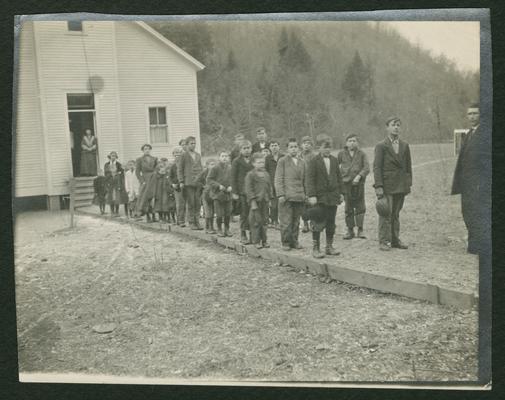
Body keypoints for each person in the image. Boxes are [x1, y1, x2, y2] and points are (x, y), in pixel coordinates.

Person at [373, 116, 412, 251]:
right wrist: (378, 186)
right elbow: (377, 167)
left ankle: (395, 240)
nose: (396, 127)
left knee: (396, 214)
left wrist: (408, 184)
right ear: (387, 127)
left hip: (400, 185)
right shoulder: (381, 146)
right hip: (387, 186)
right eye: (393, 125)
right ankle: (384, 241)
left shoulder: (405, 145)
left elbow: (408, 167)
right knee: (385, 213)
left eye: (398, 125)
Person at [451, 103, 484, 255]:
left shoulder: (486, 134)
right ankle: (474, 243)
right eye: (469, 114)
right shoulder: (470, 133)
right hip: (467, 184)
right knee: (467, 212)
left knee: (478, 212)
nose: (471, 117)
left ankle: (478, 244)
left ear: (481, 115)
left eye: (475, 114)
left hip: (479, 185)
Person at [306, 137, 344, 258]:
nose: (327, 149)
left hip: (332, 197)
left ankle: (329, 246)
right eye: (325, 147)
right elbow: (310, 180)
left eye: (329, 147)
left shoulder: (334, 160)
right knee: (318, 221)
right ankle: (315, 248)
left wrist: (341, 193)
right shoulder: (313, 161)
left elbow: (339, 178)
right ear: (318, 148)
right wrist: (312, 195)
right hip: (320, 197)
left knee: (331, 222)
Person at [337, 134, 370, 239]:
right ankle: (350, 230)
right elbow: (336, 167)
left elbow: (366, 168)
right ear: (346, 143)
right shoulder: (341, 154)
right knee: (348, 207)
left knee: (360, 207)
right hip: (346, 184)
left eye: (354, 141)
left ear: (357, 142)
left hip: (358, 184)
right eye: (350, 141)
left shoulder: (362, 154)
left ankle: (360, 229)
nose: (352, 143)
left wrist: (359, 176)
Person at [275, 138, 306, 251]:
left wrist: (305, 194)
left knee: (296, 220)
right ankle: (286, 242)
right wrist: (280, 194)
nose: (294, 149)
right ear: (287, 149)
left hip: (298, 196)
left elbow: (305, 180)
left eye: (295, 147)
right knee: (286, 221)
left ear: (298, 148)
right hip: (287, 196)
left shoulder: (302, 162)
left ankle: (295, 241)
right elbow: (278, 178)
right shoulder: (282, 161)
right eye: (291, 147)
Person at [245, 152, 273, 249]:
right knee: (255, 221)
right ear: (253, 163)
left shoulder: (266, 174)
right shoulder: (250, 175)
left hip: (265, 201)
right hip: (256, 202)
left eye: (262, 162)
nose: (261, 164)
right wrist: (252, 202)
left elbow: (269, 187)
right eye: (259, 162)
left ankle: (264, 240)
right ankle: (256, 241)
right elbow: (249, 189)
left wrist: (269, 198)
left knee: (264, 221)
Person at [177, 136, 204, 230]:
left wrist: (202, 180)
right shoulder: (184, 155)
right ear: (187, 145)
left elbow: (201, 168)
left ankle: (197, 222)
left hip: (198, 182)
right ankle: (191, 222)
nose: (193, 145)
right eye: (191, 143)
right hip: (188, 182)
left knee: (198, 202)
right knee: (191, 202)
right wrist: (181, 181)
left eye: (194, 143)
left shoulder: (198, 155)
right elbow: (180, 169)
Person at [231, 140, 254, 244]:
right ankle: (243, 233)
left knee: (253, 213)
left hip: (253, 191)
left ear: (251, 148)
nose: (246, 150)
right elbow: (233, 177)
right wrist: (235, 192)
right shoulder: (236, 161)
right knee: (244, 213)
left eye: (248, 148)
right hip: (242, 192)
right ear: (240, 150)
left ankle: (253, 234)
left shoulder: (254, 160)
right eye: (244, 148)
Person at [207, 151, 233, 237]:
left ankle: (227, 229)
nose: (224, 158)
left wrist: (231, 186)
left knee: (228, 213)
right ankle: (219, 229)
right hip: (217, 194)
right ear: (219, 158)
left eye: (226, 156)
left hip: (227, 195)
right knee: (219, 214)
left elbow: (233, 179)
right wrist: (218, 186)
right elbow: (209, 180)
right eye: (222, 156)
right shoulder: (215, 168)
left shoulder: (230, 168)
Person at [135, 144, 158, 222]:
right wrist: (142, 181)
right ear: (143, 150)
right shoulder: (139, 160)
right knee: (146, 198)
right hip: (145, 180)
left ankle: (154, 215)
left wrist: (155, 175)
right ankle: (148, 215)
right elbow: (137, 172)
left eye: (148, 149)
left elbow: (157, 169)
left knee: (153, 197)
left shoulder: (154, 159)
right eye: (145, 149)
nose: (147, 150)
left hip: (154, 179)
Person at [299, 136, 317, 233]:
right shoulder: (298, 156)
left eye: (309, 143)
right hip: (301, 182)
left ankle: (313, 222)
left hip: (311, 182)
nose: (306, 145)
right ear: (301, 145)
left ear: (311, 145)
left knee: (312, 203)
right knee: (303, 203)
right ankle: (305, 223)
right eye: (304, 143)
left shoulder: (314, 156)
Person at [104, 151, 128, 217]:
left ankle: (117, 211)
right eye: (112, 156)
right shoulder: (106, 164)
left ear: (116, 157)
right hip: (110, 182)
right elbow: (106, 173)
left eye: (114, 156)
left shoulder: (118, 164)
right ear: (110, 157)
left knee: (117, 197)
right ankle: (112, 211)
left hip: (117, 182)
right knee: (111, 197)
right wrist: (110, 175)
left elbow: (122, 173)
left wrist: (118, 175)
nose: (113, 157)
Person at [265, 140, 283, 228]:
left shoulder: (283, 157)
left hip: (282, 183)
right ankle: (274, 221)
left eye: (276, 145)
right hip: (272, 184)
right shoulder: (267, 158)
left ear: (279, 146)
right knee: (273, 204)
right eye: (272, 145)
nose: (274, 147)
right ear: (269, 147)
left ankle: (282, 220)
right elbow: (266, 172)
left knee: (282, 203)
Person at [197, 159, 217, 234]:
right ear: (207, 165)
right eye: (211, 164)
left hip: (213, 194)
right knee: (208, 211)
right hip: (205, 194)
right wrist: (203, 186)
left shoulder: (215, 172)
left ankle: (211, 227)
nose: (213, 166)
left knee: (212, 211)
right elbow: (197, 181)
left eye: (214, 164)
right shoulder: (204, 173)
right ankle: (207, 227)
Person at [153, 158, 176, 223]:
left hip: (165, 192)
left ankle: (167, 217)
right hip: (158, 193)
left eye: (163, 169)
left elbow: (169, 183)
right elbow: (154, 185)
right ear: (158, 170)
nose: (162, 171)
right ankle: (161, 217)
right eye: (161, 169)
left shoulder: (167, 176)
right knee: (159, 205)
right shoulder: (156, 177)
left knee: (166, 204)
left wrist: (170, 190)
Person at [169, 146, 186, 227]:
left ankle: (188, 220)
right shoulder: (173, 166)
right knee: (179, 204)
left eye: (179, 153)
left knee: (187, 204)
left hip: (185, 185)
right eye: (175, 154)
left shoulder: (185, 164)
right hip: (177, 187)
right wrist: (172, 184)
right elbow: (170, 177)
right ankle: (180, 220)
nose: (177, 155)